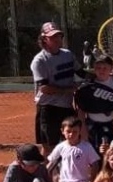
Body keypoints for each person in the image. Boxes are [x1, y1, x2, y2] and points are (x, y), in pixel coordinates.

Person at [31, 21, 78, 153]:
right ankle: (48, 173)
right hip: (48, 110)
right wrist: (68, 90)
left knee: (71, 143)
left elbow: (81, 72)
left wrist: (101, 74)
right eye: (52, 37)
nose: (57, 39)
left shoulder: (68, 54)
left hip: (67, 108)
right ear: (44, 39)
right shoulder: (39, 60)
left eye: (58, 36)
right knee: (49, 148)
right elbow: (44, 88)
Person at [75, 54, 113, 150]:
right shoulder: (88, 85)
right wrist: (83, 130)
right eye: (98, 67)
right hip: (93, 126)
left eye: (105, 68)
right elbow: (81, 110)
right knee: (95, 155)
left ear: (111, 69)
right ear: (94, 68)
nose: (101, 70)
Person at [47, 117, 100, 182]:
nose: (71, 134)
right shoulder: (60, 147)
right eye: (68, 131)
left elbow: (95, 164)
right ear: (62, 131)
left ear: (80, 131)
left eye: (75, 131)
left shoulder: (86, 146)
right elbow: (50, 164)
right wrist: (51, 178)